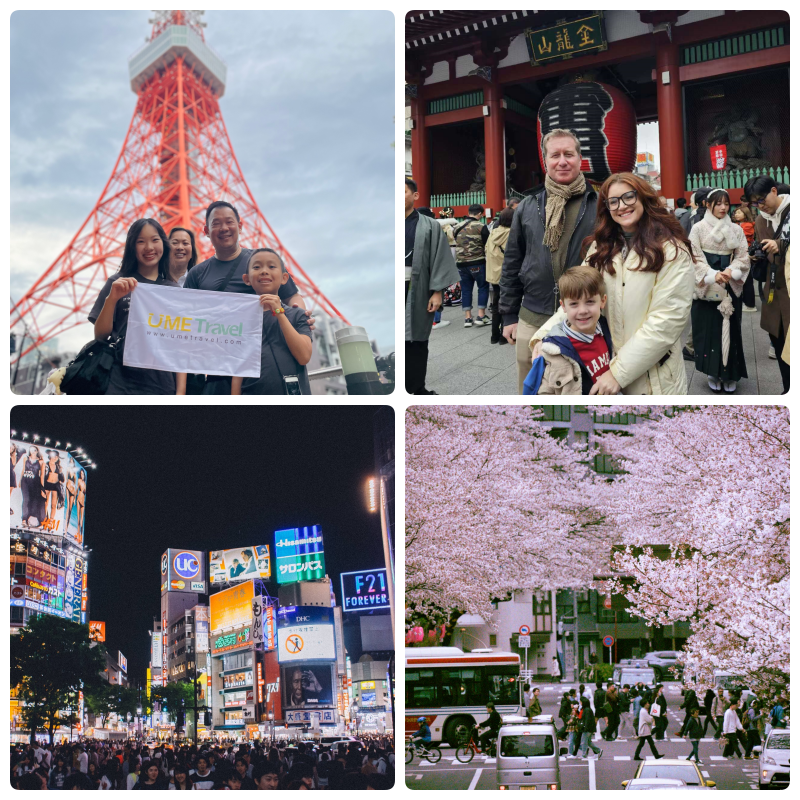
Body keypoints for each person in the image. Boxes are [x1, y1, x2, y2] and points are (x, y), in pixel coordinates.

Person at [500, 128, 598, 393]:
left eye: (569, 154)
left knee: (578, 387)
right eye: (555, 155)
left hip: (582, 316)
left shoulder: (597, 204)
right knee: (530, 387)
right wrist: (509, 315)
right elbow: (512, 261)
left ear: (579, 159)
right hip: (533, 313)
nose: (562, 161)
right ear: (545, 161)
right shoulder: (528, 206)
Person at [182, 200, 309, 394]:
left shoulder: (260, 262)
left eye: (229, 222)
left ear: (240, 226)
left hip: (261, 364)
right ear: (206, 231)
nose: (224, 228)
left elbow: (292, 297)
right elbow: (184, 318)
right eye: (216, 223)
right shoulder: (197, 274)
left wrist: (300, 319)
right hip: (219, 369)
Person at [88, 218, 180, 394]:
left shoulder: (174, 290)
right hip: (119, 379)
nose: (149, 247)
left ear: (163, 243)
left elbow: (180, 344)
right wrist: (111, 299)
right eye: (140, 241)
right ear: (132, 246)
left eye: (155, 240)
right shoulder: (117, 282)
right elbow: (100, 335)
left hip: (161, 381)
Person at [221, 249, 312, 396]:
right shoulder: (241, 321)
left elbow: (304, 357)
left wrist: (279, 312)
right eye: (257, 267)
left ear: (284, 278)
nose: (264, 271)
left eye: (272, 266)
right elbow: (239, 369)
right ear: (246, 279)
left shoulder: (298, 314)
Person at [688, 188, 749, 392]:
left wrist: (731, 271)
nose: (723, 207)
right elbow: (694, 257)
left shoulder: (736, 229)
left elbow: (743, 256)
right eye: (718, 203)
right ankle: (712, 372)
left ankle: (730, 373)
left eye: (726, 203)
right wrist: (712, 275)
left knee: (731, 328)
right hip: (707, 283)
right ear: (708, 205)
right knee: (708, 329)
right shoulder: (698, 228)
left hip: (729, 282)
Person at [404, 177, 460, 394]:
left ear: (415, 195)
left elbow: (439, 258)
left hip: (416, 287)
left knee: (417, 339)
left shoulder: (429, 225)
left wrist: (437, 292)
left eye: (403, 192)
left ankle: (416, 388)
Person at [531, 265, 613, 395]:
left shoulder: (606, 330)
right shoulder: (553, 351)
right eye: (574, 304)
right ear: (563, 306)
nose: (583, 311)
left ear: (603, 301)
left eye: (590, 301)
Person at [744, 175, 790, 392]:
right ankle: (787, 388)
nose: (761, 206)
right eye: (755, 203)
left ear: (774, 190)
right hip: (773, 294)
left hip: (792, 290)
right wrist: (756, 256)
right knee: (779, 345)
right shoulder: (761, 220)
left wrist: (781, 245)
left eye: (762, 200)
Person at [454, 203, 490, 328]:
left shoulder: (456, 227)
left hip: (461, 263)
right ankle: (481, 316)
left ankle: (468, 318)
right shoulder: (481, 226)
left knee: (466, 289)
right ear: (480, 214)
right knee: (483, 287)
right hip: (477, 262)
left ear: (469, 212)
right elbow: (487, 244)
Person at [485, 206, 514, 345]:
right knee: (508, 305)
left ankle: (494, 336)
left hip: (494, 275)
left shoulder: (493, 232)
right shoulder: (512, 234)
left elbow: (486, 250)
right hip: (507, 275)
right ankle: (504, 336)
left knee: (496, 305)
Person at [19, 445, 46, 528]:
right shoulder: (25, 458)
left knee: (33, 501)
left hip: (35, 483)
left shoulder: (41, 462)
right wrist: (20, 481)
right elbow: (23, 470)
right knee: (26, 499)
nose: (33, 451)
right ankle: (24, 519)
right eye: (31, 450)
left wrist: (42, 488)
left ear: (37, 451)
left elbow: (42, 476)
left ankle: (31, 519)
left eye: (34, 450)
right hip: (25, 481)